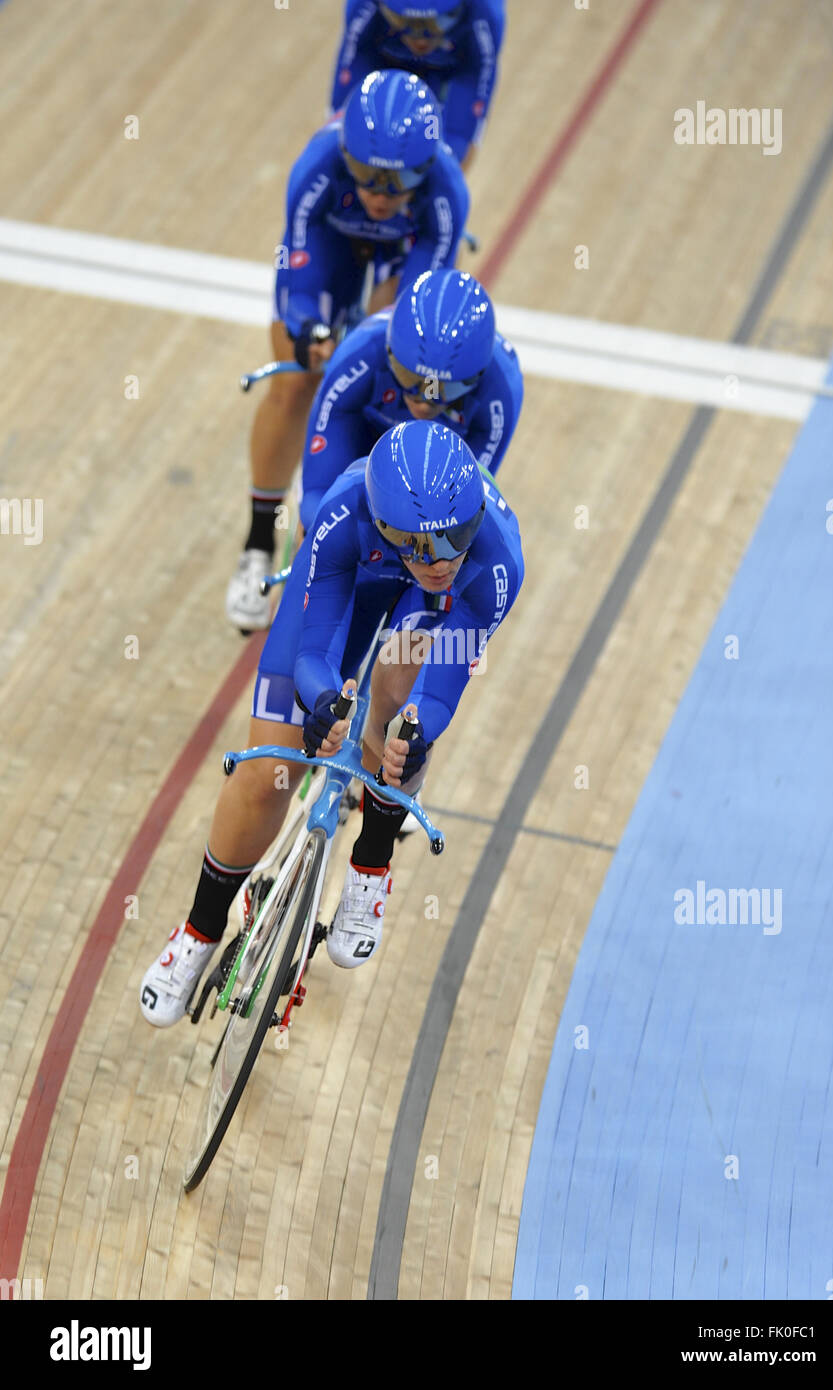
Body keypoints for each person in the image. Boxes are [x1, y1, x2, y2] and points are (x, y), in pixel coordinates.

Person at [142, 420, 523, 1026]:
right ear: (386, 526)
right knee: (268, 772)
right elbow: (313, 653)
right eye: (422, 543)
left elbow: (440, 689)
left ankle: (370, 867)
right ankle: (198, 931)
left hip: (429, 613)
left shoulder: (496, 561)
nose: (444, 557)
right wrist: (322, 704)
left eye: (457, 535)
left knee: (401, 706)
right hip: (357, 577)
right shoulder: (345, 515)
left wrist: (420, 728)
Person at [226, 68, 469, 631]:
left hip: (401, 260)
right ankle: (259, 539)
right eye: (366, 175)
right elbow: (299, 277)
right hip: (333, 249)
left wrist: (371, 340)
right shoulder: (317, 165)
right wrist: (309, 329)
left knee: (392, 386)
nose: (381, 195)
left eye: (398, 181)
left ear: (425, 168)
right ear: (347, 154)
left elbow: (415, 312)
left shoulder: (445, 193)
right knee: (291, 384)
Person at [297, 267, 523, 535]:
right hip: (362, 432)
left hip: (436, 465)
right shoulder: (361, 352)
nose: (425, 401)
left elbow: (468, 507)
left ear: (479, 374)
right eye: (410, 377)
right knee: (317, 524)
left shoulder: (501, 389)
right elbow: (317, 495)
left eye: (446, 387)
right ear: (389, 351)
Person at [331, 2, 506, 170]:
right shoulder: (364, 5)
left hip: (451, 71)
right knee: (349, 139)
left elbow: (475, 81)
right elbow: (339, 120)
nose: (420, 40)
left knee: (452, 154)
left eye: (437, 21)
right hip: (384, 56)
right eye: (406, 21)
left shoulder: (484, 11)